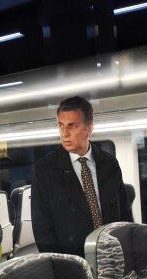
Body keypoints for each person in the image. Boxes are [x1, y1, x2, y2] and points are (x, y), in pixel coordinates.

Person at [31, 96, 132, 257]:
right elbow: (41, 226)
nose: (64, 133)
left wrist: (128, 250)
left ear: (89, 128)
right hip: (71, 259)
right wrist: (57, 265)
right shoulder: (45, 169)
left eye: (72, 126)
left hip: (111, 253)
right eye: (61, 126)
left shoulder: (109, 162)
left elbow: (125, 212)